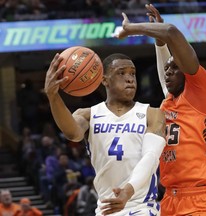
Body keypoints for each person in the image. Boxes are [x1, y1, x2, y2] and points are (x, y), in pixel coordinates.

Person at [116, 4, 206, 215]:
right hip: (170, 199)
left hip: (201, 200)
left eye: (175, 69)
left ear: (186, 72)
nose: (168, 72)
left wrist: (132, 29)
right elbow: (164, 64)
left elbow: (172, 32)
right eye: (167, 69)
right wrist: (159, 42)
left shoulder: (200, 94)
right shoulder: (169, 102)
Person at [44, 52, 166, 215]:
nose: (129, 78)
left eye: (132, 73)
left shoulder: (152, 114)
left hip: (141, 207)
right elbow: (72, 133)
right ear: (104, 79)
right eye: (121, 73)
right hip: (106, 208)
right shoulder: (87, 114)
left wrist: (127, 192)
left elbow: (151, 157)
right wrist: (53, 96)